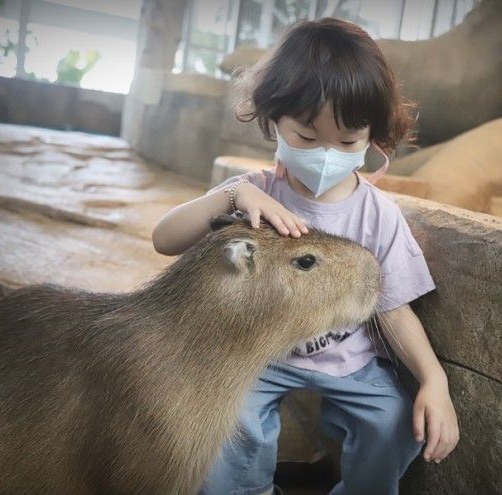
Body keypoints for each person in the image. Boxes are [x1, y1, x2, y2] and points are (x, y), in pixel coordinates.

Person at [151, 17, 459, 495]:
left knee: (395, 420)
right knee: (231, 423)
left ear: (373, 136)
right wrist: (231, 197)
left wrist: (432, 379)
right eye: (308, 139)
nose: (326, 154)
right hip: (261, 354)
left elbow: (393, 306)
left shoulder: (377, 214)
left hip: (352, 359)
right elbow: (164, 238)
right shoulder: (254, 192)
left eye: (347, 142)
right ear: (273, 121)